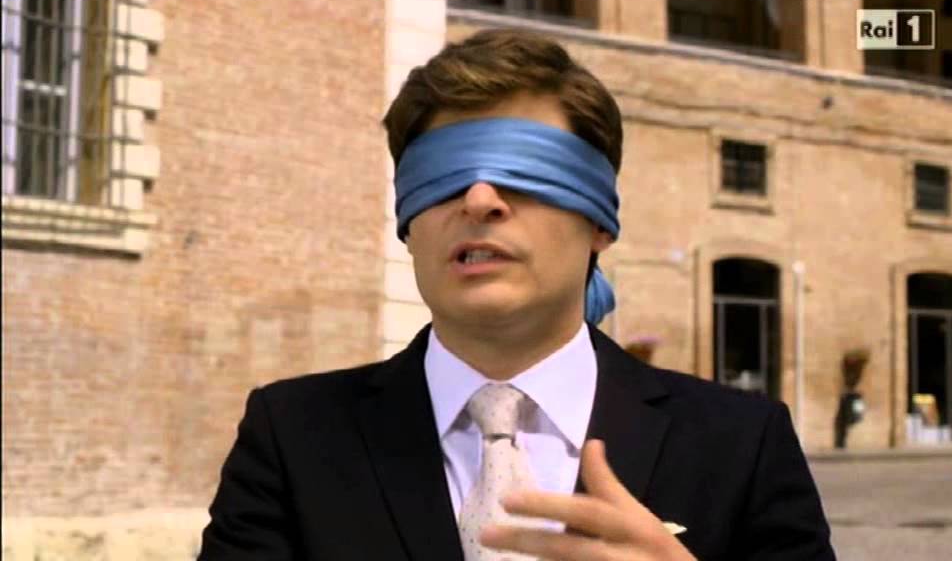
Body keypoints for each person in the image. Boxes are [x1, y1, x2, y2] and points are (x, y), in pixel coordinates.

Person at [199, 28, 835, 561]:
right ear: (408, 222)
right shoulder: (295, 437)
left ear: (599, 221)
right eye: (445, 179)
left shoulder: (740, 444)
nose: (479, 200)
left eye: (524, 173)